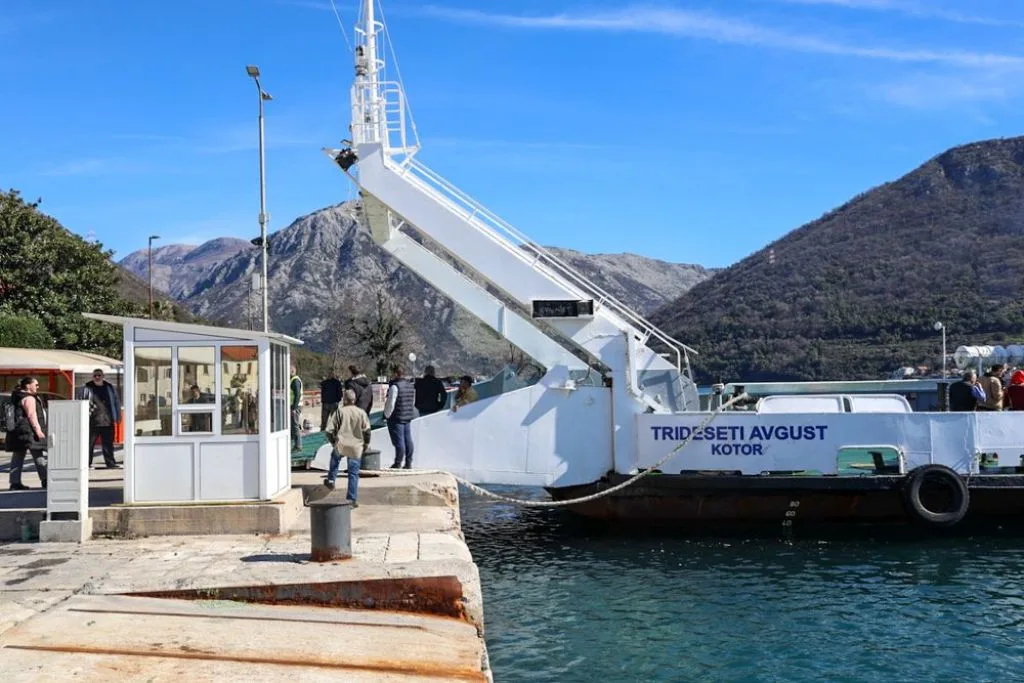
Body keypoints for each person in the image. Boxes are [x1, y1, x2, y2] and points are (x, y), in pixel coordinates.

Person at [324, 389, 371, 507]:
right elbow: (367, 431)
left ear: (344, 399)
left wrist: (333, 442)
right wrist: (365, 444)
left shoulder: (339, 412)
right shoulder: (361, 413)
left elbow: (329, 431)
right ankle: (351, 500)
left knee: (334, 460)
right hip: (356, 446)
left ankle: (331, 480)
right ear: (354, 400)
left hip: (341, 444)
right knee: (353, 474)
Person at [5, 377, 48, 490]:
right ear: (28, 386)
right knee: (38, 455)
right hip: (29, 432)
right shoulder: (29, 398)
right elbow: (32, 416)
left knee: (18, 456)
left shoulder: (17, 396)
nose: (37, 387)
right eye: (36, 384)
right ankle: (46, 480)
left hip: (18, 432)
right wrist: (38, 431)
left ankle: (14, 482)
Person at [79, 368, 121, 469]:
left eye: (99, 375)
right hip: (92, 421)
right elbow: (81, 400)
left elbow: (116, 402)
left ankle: (110, 462)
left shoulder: (109, 387)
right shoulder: (87, 387)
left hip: (107, 420)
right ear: (92, 377)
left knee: (108, 444)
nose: (97, 377)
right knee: (89, 444)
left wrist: (117, 416)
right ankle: (86, 463)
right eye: (95, 375)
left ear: (103, 376)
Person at [384, 365, 415, 469]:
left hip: (397, 417)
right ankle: (408, 462)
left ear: (396, 374)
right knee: (408, 440)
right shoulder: (410, 386)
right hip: (407, 416)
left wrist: (387, 415)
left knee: (399, 441)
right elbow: (412, 402)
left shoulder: (395, 387)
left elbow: (391, 403)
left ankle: (398, 462)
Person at [289, 365, 303, 452]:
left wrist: (294, 408)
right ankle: (294, 443)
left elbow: (297, 395)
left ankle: (298, 446)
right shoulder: (293, 380)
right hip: (294, 406)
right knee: (293, 425)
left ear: (292, 371)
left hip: (295, 406)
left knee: (295, 426)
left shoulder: (295, 380)